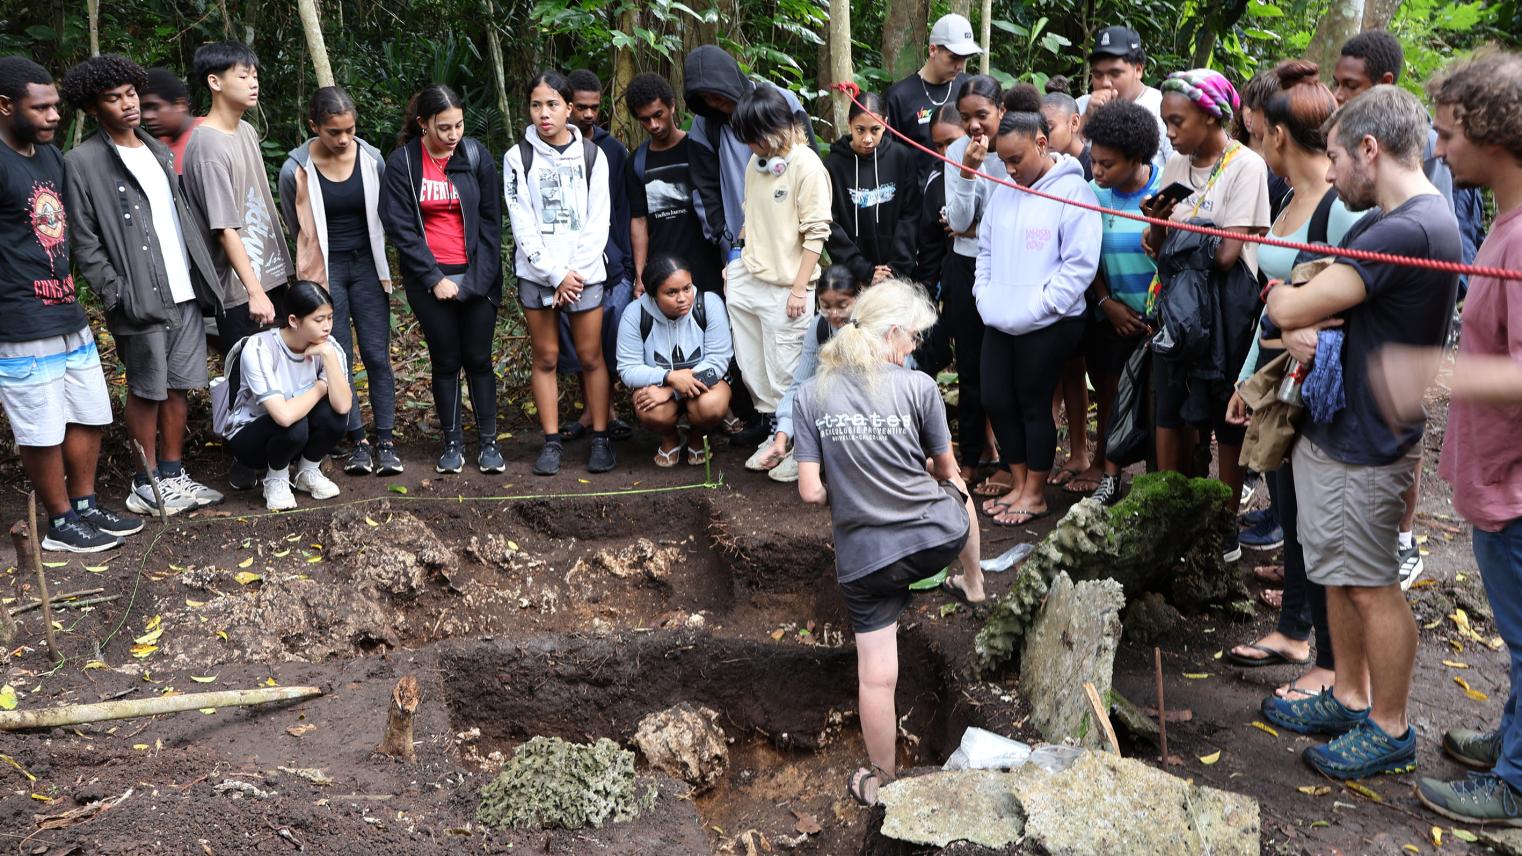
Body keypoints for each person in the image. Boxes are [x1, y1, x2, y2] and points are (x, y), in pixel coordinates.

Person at [1258, 85, 1461, 781]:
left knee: (1371, 583)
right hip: (1346, 428)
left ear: (1370, 150)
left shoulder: (1404, 229)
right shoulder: (1404, 222)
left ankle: (1389, 724)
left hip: (1368, 441)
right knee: (1339, 573)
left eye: (1339, 155)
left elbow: (1291, 300)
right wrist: (1300, 314)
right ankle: (1348, 692)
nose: (1334, 171)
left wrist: (1291, 305)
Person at [1361, 50, 1522, 825]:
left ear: (1496, 136)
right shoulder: (1505, 223)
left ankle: (1516, 786)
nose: (1439, 149)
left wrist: (1431, 371)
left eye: (1451, 133)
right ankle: (1513, 742)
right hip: (1498, 479)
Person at [792, 278, 983, 807]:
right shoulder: (918, 388)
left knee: (876, 677)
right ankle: (974, 579)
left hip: (865, 561)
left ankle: (882, 781)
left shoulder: (811, 395)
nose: (914, 348)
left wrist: (849, 479)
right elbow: (948, 473)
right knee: (955, 492)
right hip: (935, 538)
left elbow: (810, 492)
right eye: (913, 338)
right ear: (893, 331)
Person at [1221, 61, 1363, 703]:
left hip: (1315, 383)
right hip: (1279, 376)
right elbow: (1270, 297)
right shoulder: (1287, 199)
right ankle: (1292, 631)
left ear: (1277, 134)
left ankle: (1328, 662)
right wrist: (1248, 378)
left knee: (1314, 522)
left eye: (1255, 134)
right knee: (1287, 505)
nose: (1253, 145)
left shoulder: (1338, 210)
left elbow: (1350, 300)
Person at [1333, 28, 1483, 590]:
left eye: (1446, 134)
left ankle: (1402, 538)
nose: (1438, 148)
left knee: (1370, 583)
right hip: (1377, 297)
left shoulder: (1420, 185)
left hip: (1409, 306)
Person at [61, 54, 225, 517]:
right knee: (147, 388)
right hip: (138, 296)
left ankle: (173, 476)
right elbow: (84, 239)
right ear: (95, 110)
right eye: (113, 99)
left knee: (179, 387)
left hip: (183, 289)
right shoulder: (83, 161)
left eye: (130, 94)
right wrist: (115, 292)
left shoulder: (154, 149)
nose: (127, 104)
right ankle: (145, 481)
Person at [0, 56, 139, 553]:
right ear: (5, 106)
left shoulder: (49, 157)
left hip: (64, 307)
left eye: (56, 105)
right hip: (18, 319)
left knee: (89, 410)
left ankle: (84, 505)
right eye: (41, 108)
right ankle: (59, 522)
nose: (54, 115)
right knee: (40, 424)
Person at [1141, 69, 1271, 562]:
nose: (1170, 133)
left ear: (1212, 115)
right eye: (1166, 123)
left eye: (1178, 121)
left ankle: (1223, 523)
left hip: (1228, 311)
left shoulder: (1246, 166)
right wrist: (1157, 227)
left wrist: (1182, 226)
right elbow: (1161, 249)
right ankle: (1178, 513)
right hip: (1180, 306)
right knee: (1172, 408)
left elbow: (1226, 254)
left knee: (1226, 419)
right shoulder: (1175, 165)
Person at [683, 45, 817, 447]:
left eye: (720, 95)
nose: (717, 104)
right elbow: (704, 187)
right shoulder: (704, 127)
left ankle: (794, 427)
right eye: (707, 100)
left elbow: (805, 157)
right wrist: (725, 239)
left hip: (789, 246)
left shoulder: (780, 100)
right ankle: (761, 417)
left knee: (786, 342)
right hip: (739, 246)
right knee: (751, 340)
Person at [975, 107, 1102, 527]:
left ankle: (1035, 493)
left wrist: (1041, 307)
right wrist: (985, 296)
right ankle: (1017, 481)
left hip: (1052, 320)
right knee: (995, 396)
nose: (1010, 170)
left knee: (1033, 402)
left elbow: (1079, 267)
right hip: (1000, 316)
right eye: (1004, 161)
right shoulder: (1003, 191)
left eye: (1017, 159)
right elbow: (986, 252)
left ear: (1042, 144)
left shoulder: (1074, 192)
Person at [380, 83, 505, 475]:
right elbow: (400, 226)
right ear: (423, 124)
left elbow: (490, 223)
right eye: (444, 128)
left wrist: (476, 283)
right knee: (447, 360)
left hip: (477, 275)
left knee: (480, 360)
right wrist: (435, 278)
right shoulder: (403, 163)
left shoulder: (475, 155)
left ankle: (489, 444)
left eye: (459, 126)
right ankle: (452, 444)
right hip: (429, 279)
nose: (453, 136)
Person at [279, 87, 402, 477]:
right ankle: (358, 441)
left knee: (377, 356)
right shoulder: (295, 169)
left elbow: (385, 211)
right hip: (324, 273)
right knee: (336, 357)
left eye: (350, 129)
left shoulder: (371, 159)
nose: (344, 139)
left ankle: (386, 440)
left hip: (367, 266)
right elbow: (294, 221)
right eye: (334, 132)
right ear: (314, 126)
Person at [503, 71, 616, 477]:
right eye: (536, 105)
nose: (544, 113)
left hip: (585, 273)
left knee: (590, 355)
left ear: (569, 108)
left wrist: (576, 274)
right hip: (538, 274)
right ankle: (551, 442)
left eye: (552, 105)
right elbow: (522, 221)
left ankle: (601, 437)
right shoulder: (518, 157)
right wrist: (554, 275)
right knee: (547, 356)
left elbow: (598, 219)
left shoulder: (592, 156)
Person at [726, 85, 832, 472]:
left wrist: (801, 287)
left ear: (773, 129)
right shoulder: (758, 165)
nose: (750, 146)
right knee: (755, 366)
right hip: (749, 277)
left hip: (789, 285)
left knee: (788, 369)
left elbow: (817, 232)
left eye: (753, 138)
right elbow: (747, 216)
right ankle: (777, 435)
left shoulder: (806, 166)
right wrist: (733, 261)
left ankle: (801, 446)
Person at [180, 41, 293, 352]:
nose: (253, 83)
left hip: (270, 276)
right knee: (249, 387)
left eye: (254, 75)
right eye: (243, 76)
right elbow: (224, 228)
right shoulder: (207, 148)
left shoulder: (246, 131)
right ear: (214, 82)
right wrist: (254, 291)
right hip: (240, 290)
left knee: (283, 377)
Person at [1080, 99, 1161, 507]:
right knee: (1111, 393)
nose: (1096, 171)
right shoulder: (1092, 194)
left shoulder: (1165, 192)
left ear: (1135, 158)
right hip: (1111, 315)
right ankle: (1110, 478)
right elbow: (1084, 255)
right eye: (1094, 161)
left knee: (1153, 401)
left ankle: (1152, 485)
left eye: (1106, 164)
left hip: (1156, 320)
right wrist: (1106, 302)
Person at [223, 281, 352, 511]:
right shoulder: (261, 347)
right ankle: (276, 478)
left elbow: (343, 407)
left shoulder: (327, 346)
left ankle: (308, 471)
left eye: (330, 318)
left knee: (334, 416)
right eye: (318, 320)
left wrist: (329, 358)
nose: (327, 327)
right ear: (293, 321)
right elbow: (282, 415)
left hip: (295, 428)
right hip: (251, 437)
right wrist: (322, 387)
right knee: (293, 424)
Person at [560, 69, 634, 444]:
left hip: (612, 260)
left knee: (610, 332)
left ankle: (608, 409)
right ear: (568, 105)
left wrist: (627, 263)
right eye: (581, 108)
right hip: (566, 266)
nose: (588, 115)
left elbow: (622, 210)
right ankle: (592, 411)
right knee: (573, 337)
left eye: (595, 108)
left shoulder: (612, 150)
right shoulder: (550, 150)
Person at [942, 76, 1006, 485]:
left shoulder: (1018, 148)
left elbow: (1007, 224)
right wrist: (969, 170)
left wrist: (973, 227)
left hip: (1007, 268)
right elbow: (961, 221)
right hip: (965, 267)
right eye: (966, 117)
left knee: (1003, 368)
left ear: (1000, 111)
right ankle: (969, 457)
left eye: (982, 115)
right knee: (969, 367)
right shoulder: (955, 151)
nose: (974, 126)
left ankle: (1007, 459)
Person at [615, 253, 733, 467]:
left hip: (704, 387)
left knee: (711, 405)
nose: (683, 298)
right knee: (650, 409)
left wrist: (673, 389)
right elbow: (627, 369)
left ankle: (697, 435)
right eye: (671, 292)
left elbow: (718, 364)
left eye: (687, 288)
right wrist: (668, 377)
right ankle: (670, 437)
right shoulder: (634, 314)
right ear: (653, 294)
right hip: (659, 386)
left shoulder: (709, 304)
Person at [1035, 87, 1096, 494]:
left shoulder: (1091, 162)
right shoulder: (1043, 166)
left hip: (1086, 284)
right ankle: (1068, 451)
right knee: (1059, 373)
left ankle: (1085, 452)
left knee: (1082, 371)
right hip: (1049, 281)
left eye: (1050, 127)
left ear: (1074, 123)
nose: (1044, 135)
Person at [754, 265, 863, 483]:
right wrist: (782, 436)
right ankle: (806, 450)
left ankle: (821, 452)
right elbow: (799, 385)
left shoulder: (873, 326)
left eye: (842, 305)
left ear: (859, 297)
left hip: (868, 407)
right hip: (832, 404)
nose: (833, 314)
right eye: (825, 306)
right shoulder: (820, 327)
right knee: (809, 390)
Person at [624, 73, 724, 296]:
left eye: (658, 115)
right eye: (645, 119)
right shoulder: (636, 162)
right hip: (664, 271)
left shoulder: (699, 148)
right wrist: (640, 275)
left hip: (708, 266)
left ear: (672, 107)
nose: (654, 125)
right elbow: (639, 221)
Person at [823, 92, 921, 286]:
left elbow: (910, 216)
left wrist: (895, 269)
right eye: (860, 130)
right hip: (852, 277)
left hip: (897, 276)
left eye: (875, 130)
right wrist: (863, 270)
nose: (867, 139)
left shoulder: (901, 158)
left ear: (885, 123)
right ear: (849, 123)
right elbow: (830, 224)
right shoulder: (833, 165)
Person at [883, 13, 978, 182]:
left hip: (965, 191)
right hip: (919, 201)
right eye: (954, 57)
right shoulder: (898, 97)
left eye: (964, 58)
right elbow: (890, 159)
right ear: (933, 50)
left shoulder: (969, 87)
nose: (960, 65)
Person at [1075, 25, 1173, 168]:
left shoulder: (1162, 107)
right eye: (1097, 75)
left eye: (1115, 74)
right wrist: (1087, 118)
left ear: (1138, 70)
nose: (1105, 83)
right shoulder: (1082, 106)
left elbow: (1178, 167)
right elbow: (1057, 155)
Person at [138, 67, 199, 174]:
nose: (146, 116)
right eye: (142, 109)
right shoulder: (159, 147)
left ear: (179, 105)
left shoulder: (210, 136)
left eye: (153, 107)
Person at [1040, 92, 1090, 180]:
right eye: (1039, 129)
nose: (1042, 136)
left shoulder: (1095, 164)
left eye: (1049, 128)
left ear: (1074, 123)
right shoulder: (1044, 168)